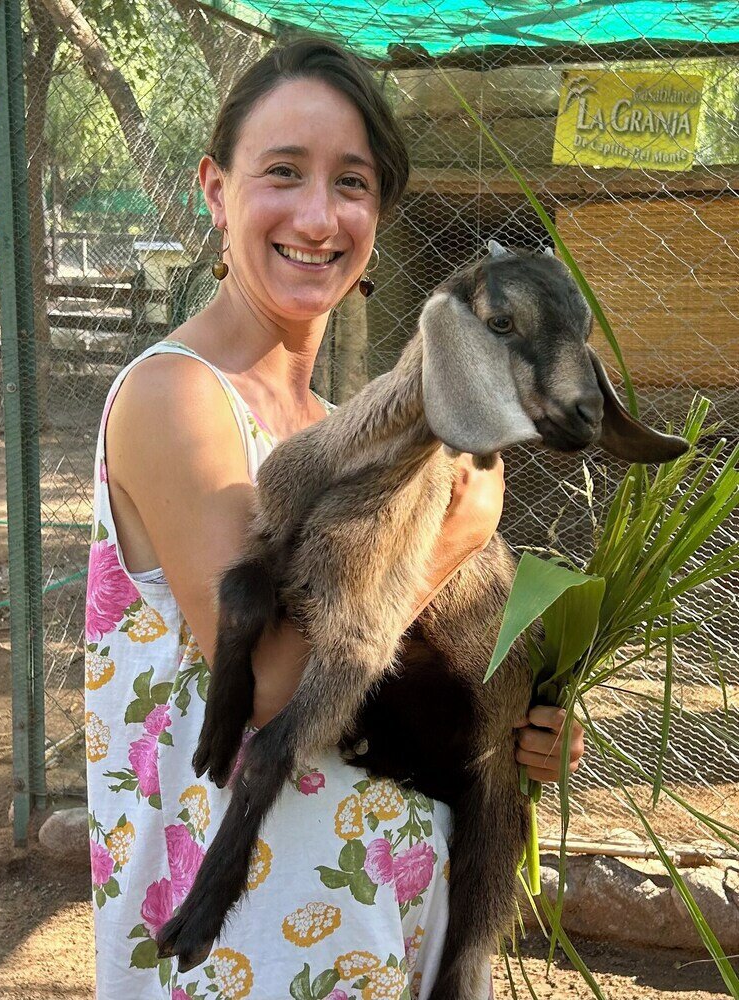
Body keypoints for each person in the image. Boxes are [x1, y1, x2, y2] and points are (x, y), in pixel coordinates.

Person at [84, 37, 585, 999]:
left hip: (376, 926)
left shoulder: (334, 429)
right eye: (282, 172)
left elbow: (387, 677)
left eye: (350, 183)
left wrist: (517, 726)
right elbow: (272, 692)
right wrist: (452, 539)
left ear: (377, 218)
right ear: (214, 190)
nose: (318, 215)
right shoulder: (179, 399)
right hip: (247, 958)